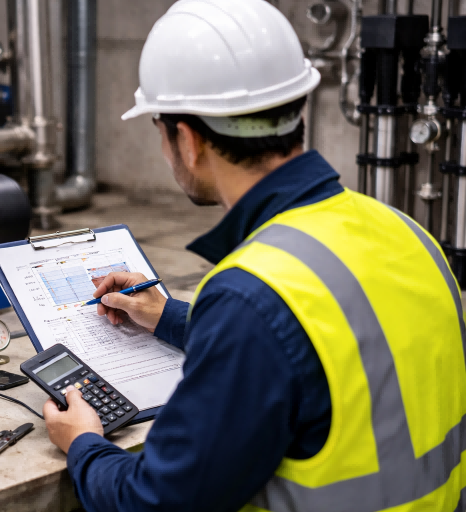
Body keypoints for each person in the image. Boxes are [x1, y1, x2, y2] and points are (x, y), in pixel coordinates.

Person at [41, 1, 466, 511]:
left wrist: (84, 442)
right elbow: (328, 352)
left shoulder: (252, 297)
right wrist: (169, 317)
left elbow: (156, 500)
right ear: (296, 109)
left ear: (188, 140)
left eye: (160, 131)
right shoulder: (409, 233)